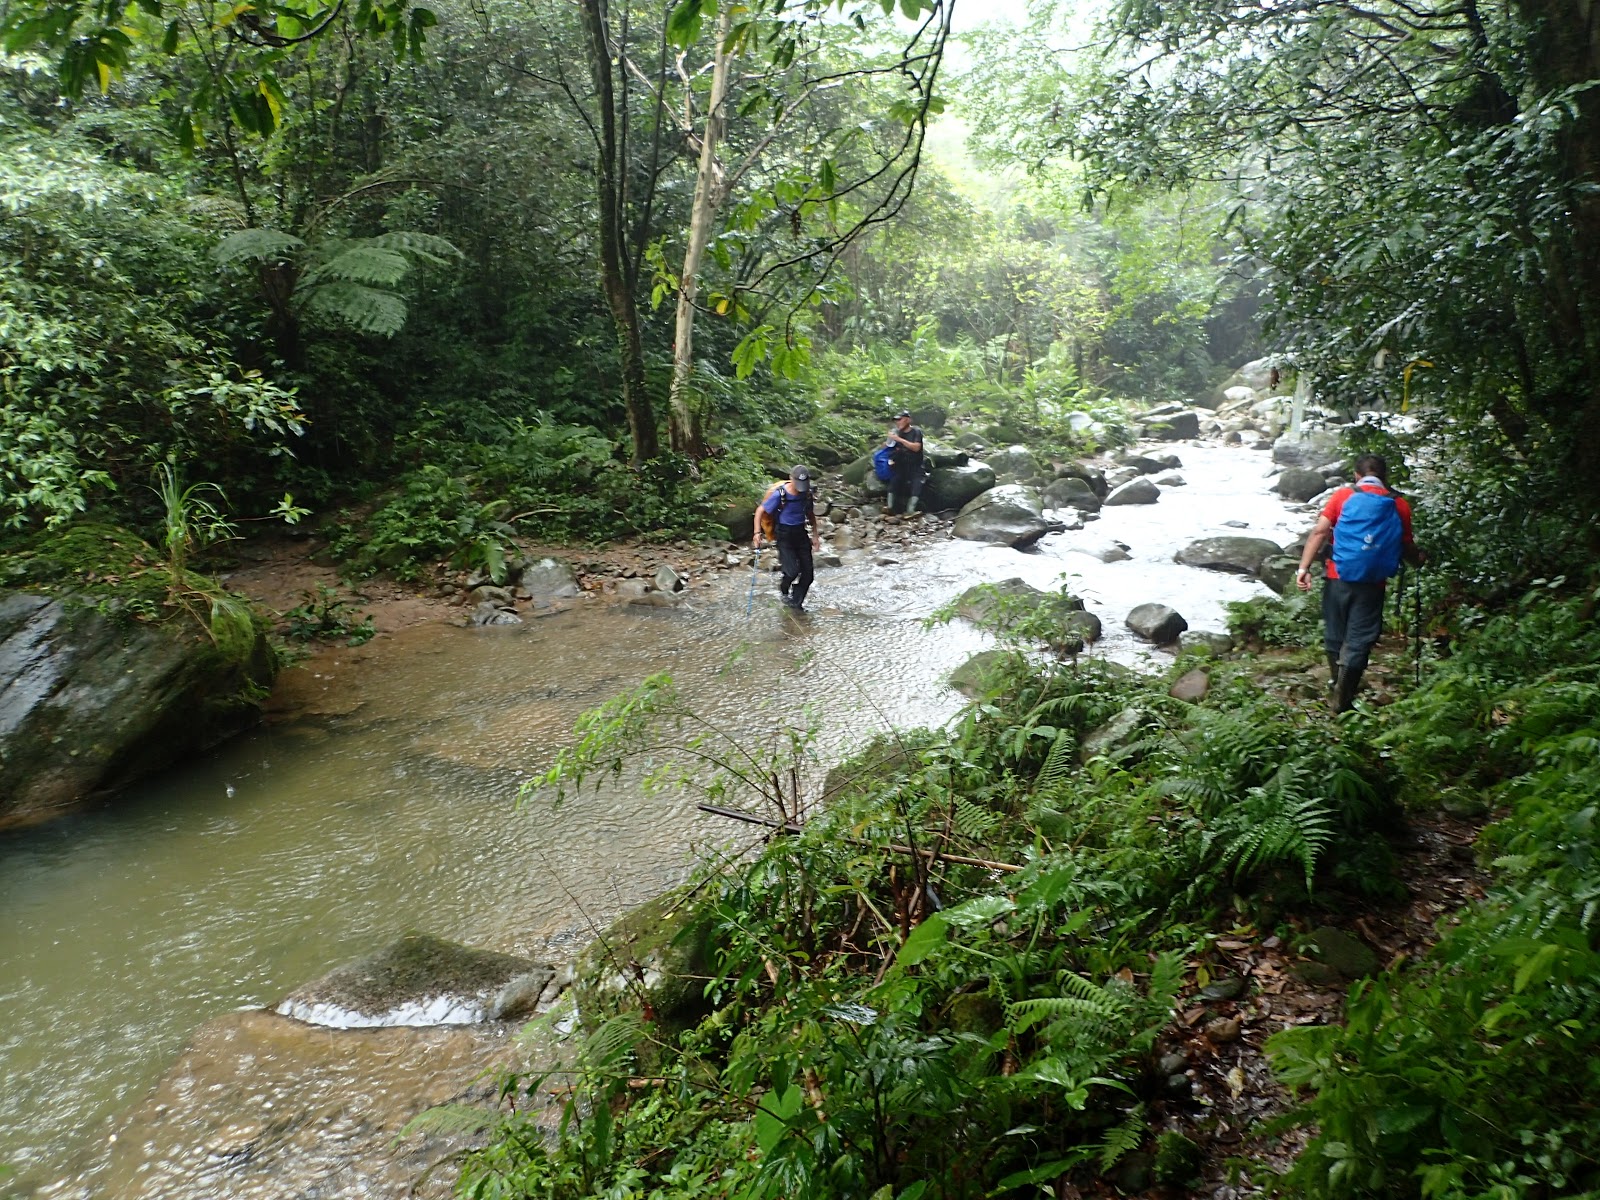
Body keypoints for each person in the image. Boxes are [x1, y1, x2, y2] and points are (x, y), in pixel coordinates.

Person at [1295, 453, 1422, 711]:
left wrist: (1303, 568)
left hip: (1338, 576)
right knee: (1360, 639)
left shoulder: (1343, 496)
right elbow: (1405, 545)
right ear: (1384, 476)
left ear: (1357, 475)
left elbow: (1320, 531)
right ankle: (1343, 699)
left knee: (1335, 634)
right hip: (1373, 582)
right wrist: (1419, 560)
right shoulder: (1398, 504)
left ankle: (1335, 683)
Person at [754, 465, 820, 612]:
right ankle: (784, 589)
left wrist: (815, 535)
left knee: (808, 575)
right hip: (784, 535)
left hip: (801, 534)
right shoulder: (780, 494)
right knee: (791, 572)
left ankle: (796, 604)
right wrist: (757, 533)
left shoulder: (806, 494)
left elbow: (810, 515)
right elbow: (760, 511)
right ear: (791, 479)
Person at [884, 410, 925, 515]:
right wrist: (889, 441)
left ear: (908, 420)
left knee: (917, 483)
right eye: (896, 420)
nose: (898, 422)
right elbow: (889, 447)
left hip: (915, 465)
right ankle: (890, 507)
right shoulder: (897, 432)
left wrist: (899, 439)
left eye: (900, 419)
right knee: (894, 481)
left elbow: (916, 447)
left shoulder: (916, 431)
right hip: (901, 465)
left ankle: (911, 510)